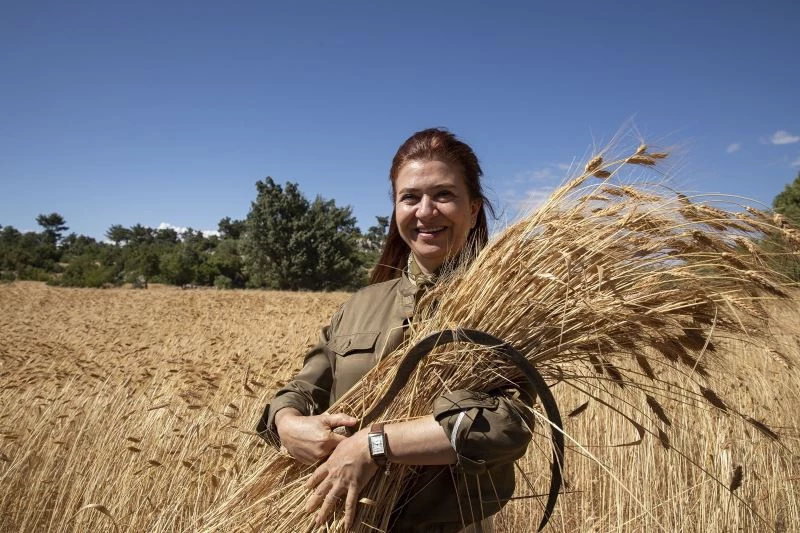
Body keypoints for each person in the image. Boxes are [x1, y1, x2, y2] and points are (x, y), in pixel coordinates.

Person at [257, 128, 533, 532]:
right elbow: (304, 388)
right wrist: (287, 423)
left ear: (473, 209)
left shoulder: (505, 307)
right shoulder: (360, 304)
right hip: (344, 522)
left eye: (443, 195)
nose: (425, 211)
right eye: (410, 197)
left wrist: (373, 445)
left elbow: (507, 424)